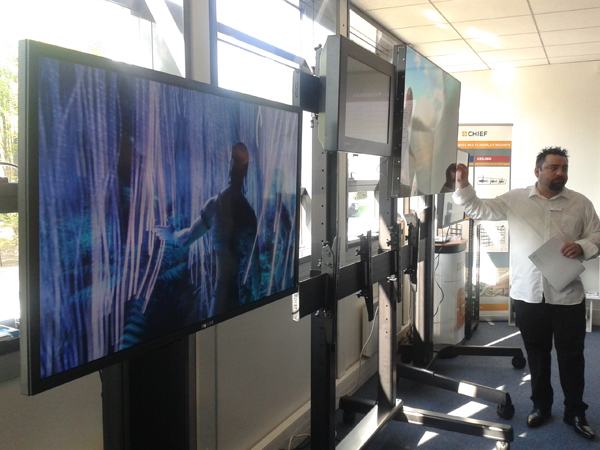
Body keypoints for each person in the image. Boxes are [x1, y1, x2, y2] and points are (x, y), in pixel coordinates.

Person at [453, 146, 600, 440]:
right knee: (537, 353)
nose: (560, 173)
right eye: (553, 168)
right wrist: (463, 185)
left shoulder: (580, 203)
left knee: (572, 356)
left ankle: (575, 411)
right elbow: (479, 209)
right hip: (528, 294)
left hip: (567, 295)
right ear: (538, 171)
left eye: (564, 168)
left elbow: (597, 234)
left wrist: (582, 246)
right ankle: (541, 406)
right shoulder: (515, 199)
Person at [154, 142, 260, 317]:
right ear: (246, 169)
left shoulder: (214, 205)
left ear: (230, 164)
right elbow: (255, 270)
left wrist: (172, 235)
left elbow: (185, 239)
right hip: (235, 300)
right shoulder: (249, 214)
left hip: (219, 300)